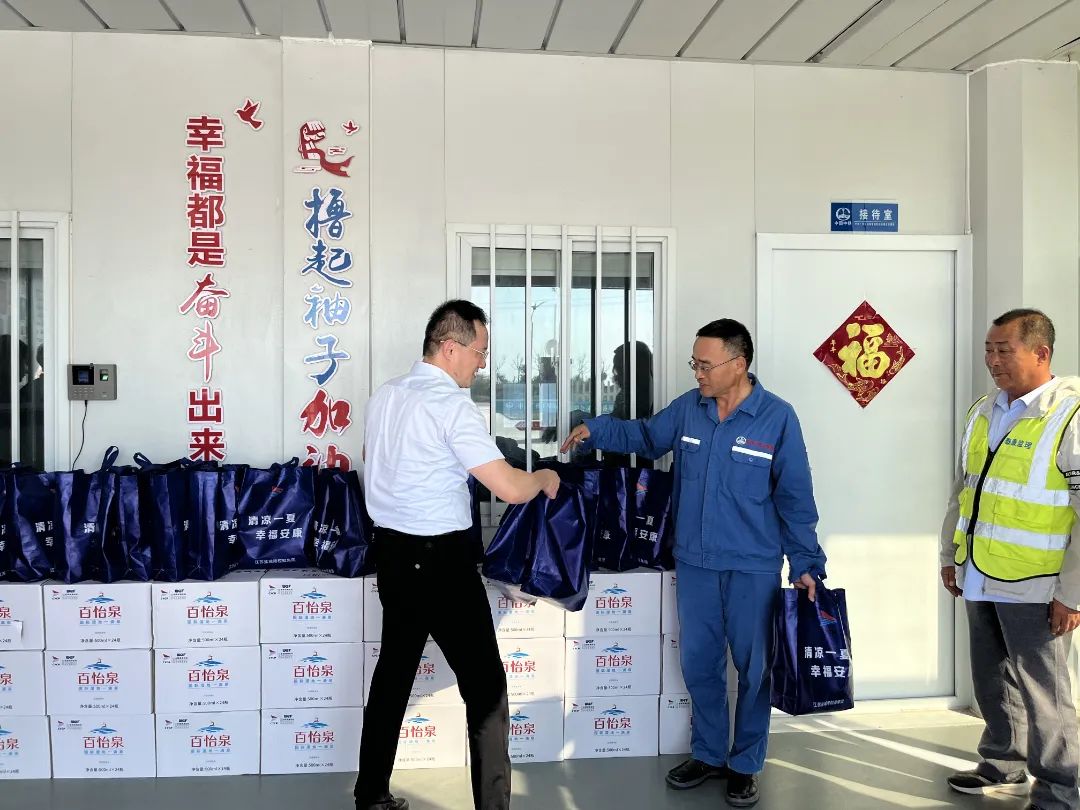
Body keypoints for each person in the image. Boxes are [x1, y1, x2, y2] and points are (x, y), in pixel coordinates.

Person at [561, 318, 825, 808]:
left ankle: (745, 763)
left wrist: (806, 561)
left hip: (752, 566)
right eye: (694, 364)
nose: (698, 373)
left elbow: (794, 497)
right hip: (696, 563)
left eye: (706, 364)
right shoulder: (690, 409)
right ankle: (708, 753)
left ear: (738, 364)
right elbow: (646, 437)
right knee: (700, 664)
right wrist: (597, 428)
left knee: (755, 670)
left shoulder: (777, 418)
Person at [355, 299, 560, 810]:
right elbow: (507, 486)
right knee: (486, 690)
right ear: (450, 347)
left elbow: (373, 463)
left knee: (392, 678)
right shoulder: (451, 406)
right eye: (480, 351)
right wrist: (543, 477)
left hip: (392, 555)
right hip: (441, 563)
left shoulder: (385, 395)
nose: (482, 364)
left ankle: (371, 795)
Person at [939, 308, 1080, 810]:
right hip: (980, 570)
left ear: (1041, 353)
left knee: (1045, 692)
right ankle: (1003, 762)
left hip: (1037, 583)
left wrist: (1072, 593)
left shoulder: (1069, 415)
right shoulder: (984, 410)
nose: (992, 360)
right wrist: (950, 554)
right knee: (991, 676)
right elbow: (964, 489)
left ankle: (1060, 790)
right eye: (989, 350)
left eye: (1004, 350)